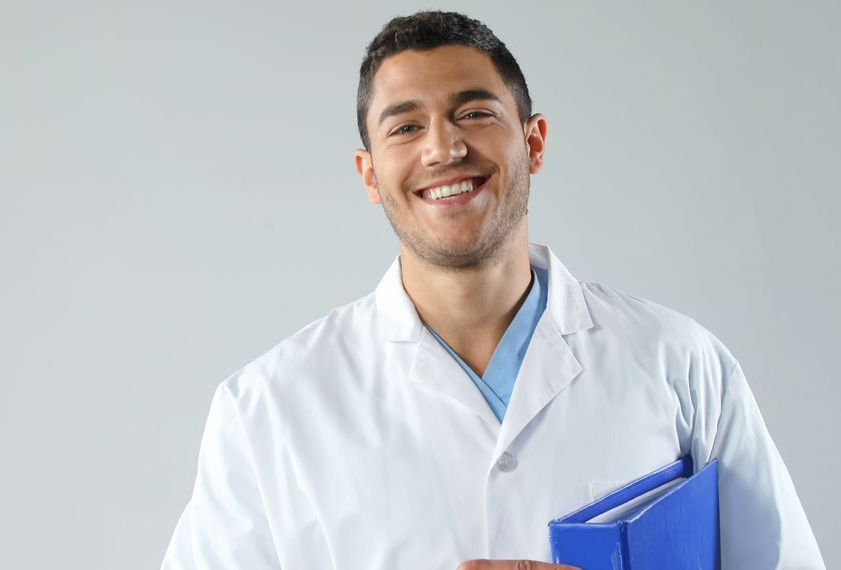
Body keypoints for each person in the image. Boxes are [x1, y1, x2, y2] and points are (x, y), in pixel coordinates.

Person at [161, 10, 824, 570]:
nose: (443, 148)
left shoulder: (682, 365)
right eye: (405, 127)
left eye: (473, 113)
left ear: (533, 142)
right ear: (369, 173)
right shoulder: (266, 413)